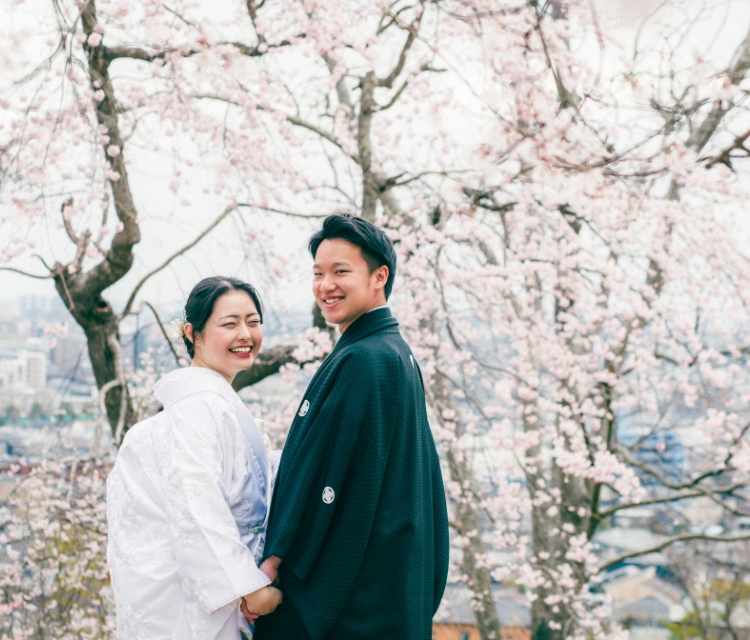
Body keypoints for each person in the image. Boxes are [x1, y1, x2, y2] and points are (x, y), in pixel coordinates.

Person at [253, 214, 450, 640]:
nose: (326, 286)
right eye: (318, 273)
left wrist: (277, 558)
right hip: (391, 589)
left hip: (357, 604)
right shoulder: (393, 352)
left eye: (341, 271)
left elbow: (323, 473)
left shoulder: (364, 359)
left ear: (380, 276)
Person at [107, 276, 283, 640]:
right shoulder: (198, 409)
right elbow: (197, 508)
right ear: (193, 333)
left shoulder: (210, 404)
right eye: (229, 324)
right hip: (194, 612)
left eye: (253, 322)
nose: (245, 334)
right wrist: (251, 589)